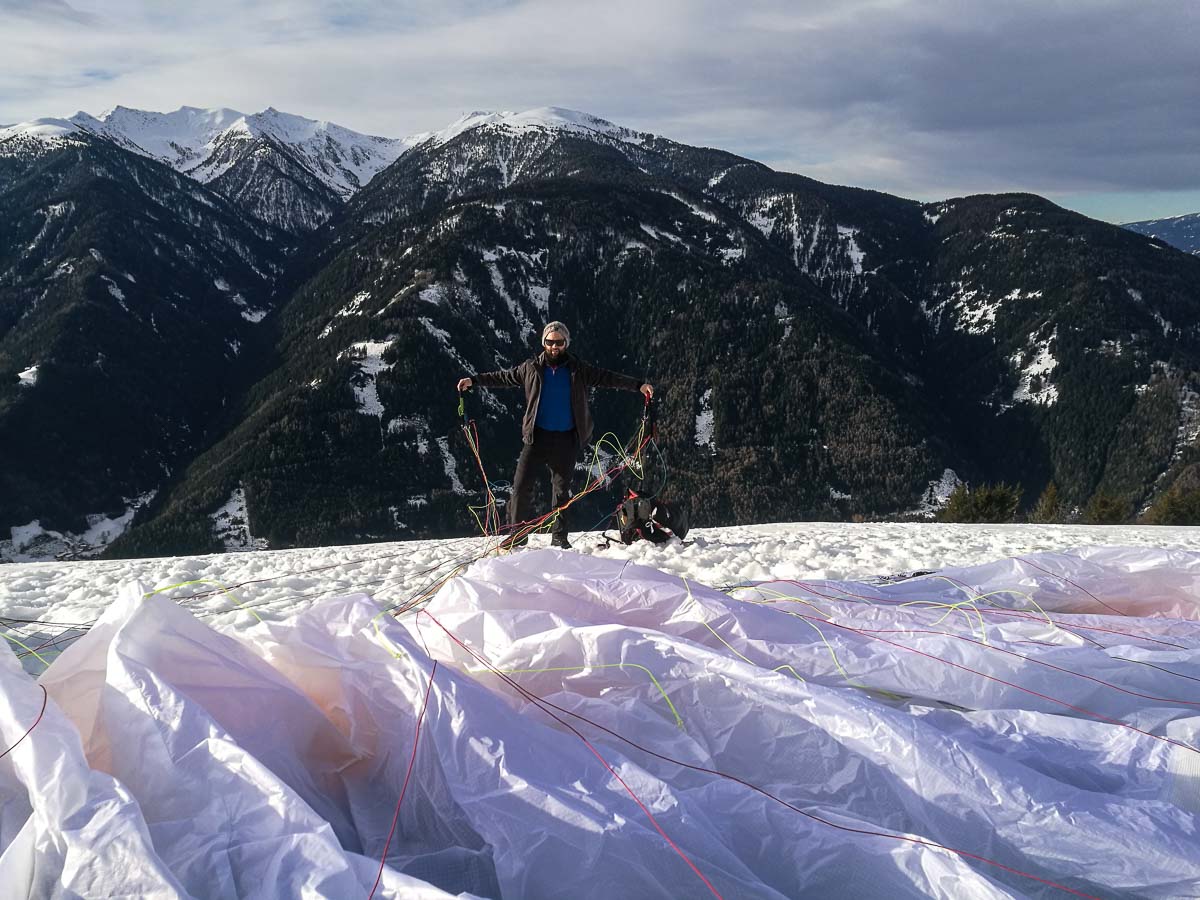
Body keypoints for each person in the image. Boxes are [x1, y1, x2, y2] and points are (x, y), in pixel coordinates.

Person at [457, 321, 653, 550]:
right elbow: (503, 377)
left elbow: (607, 377)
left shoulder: (578, 370)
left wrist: (638, 386)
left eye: (559, 342)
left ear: (566, 343)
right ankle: (517, 535)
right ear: (544, 343)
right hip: (536, 438)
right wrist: (474, 380)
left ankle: (559, 537)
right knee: (520, 487)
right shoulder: (530, 368)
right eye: (550, 342)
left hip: (566, 440)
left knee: (561, 492)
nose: (554, 346)